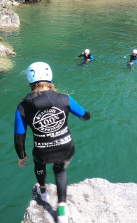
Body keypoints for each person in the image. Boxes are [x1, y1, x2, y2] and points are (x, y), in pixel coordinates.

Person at [14, 62, 90, 223]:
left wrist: (21, 155)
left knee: (39, 164)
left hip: (42, 151)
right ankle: (61, 210)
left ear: (30, 80)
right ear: (50, 78)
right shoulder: (65, 99)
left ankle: (43, 191)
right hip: (66, 147)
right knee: (60, 171)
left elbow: (19, 136)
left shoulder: (22, 107)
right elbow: (85, 115)